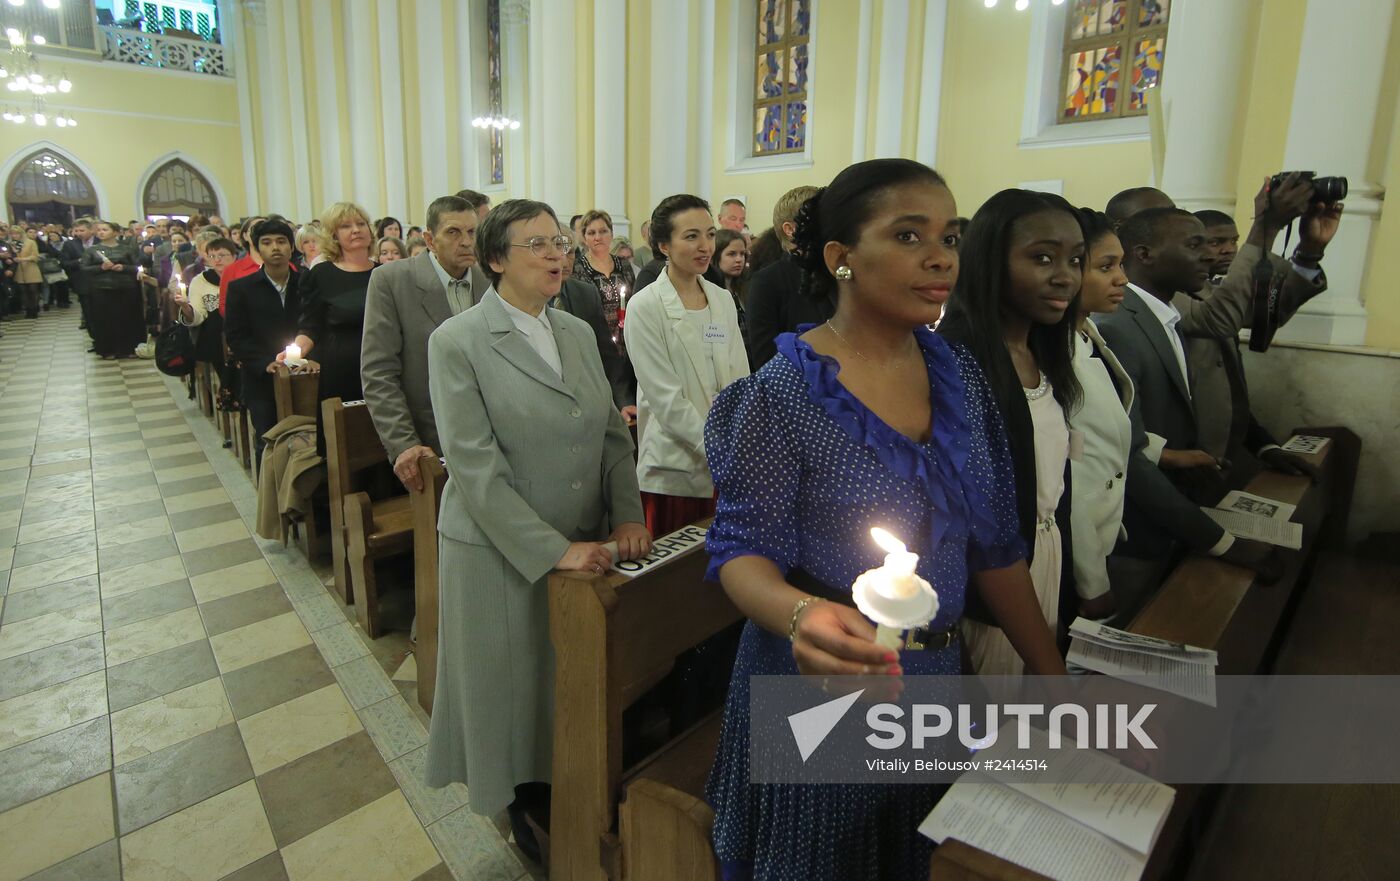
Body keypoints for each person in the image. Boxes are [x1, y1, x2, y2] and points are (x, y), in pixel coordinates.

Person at [704, 160, 1065, 880]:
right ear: (841, 258)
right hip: (827, 680)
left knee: (923, 856)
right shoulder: (780, 395)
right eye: (908, 235)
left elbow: (994, 545)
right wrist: (802, 613)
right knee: (828, 859)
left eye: (950, 237)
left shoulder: (960, 377)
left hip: (932, 676)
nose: (940, 257)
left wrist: (1053, 681)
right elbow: (743, 552)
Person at [423, 198, 652, 863]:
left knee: (563, 681)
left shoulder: (576, 330)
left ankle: (568, 788)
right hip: (499, 550)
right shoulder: (459, 341)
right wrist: (554, 549)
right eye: (536, 244)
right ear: (496, 259)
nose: (557, 254)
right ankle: (524, 806)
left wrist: (628, 512)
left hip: (583, 537)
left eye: (559, 241)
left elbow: (612, 435)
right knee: (511, 687)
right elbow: (474, 468)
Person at [1096, 207, 1282, 615]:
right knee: (1127, 631)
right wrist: (1223, 542)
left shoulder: (1165, 315)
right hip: (1136, 529)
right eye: (1194, 245)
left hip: (1174, 513)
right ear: (1144, 254)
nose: (1209, 256)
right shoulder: (1116, 325)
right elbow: (1126, 452)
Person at [937, 189, 1082, 674]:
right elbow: (975, 521)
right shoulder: (959, 362)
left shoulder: (1044, 353)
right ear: (990, 263)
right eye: (1042, 258)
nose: (1066, 276)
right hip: (991, 576)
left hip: (1044, 551)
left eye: (1075, 260)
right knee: (991, 731)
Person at [624, 195, 750, 536]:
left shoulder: (721, 299)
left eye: (710, 234)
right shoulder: (645, 306)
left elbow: (741, 377)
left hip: (728, 460)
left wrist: (740, 439)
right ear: (664, 244)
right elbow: (665, 398)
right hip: (675, 467)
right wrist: (716, 446)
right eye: (691, 236)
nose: (705, 246)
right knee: (677, 577)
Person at [360, 194, 491, 492]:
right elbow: (378, 372)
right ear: (430, 239)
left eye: (472, 232)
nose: (467, 242)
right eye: (453, 232)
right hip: (430, 438)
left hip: (489, 436)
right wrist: (405, 443)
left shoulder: (490, 280)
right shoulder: (392, 281)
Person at [1067, 210, 1132, 621]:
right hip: (1079, 544)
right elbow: (1066, 474)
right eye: (1106, 266)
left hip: (1106, 526)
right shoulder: (1049, 354)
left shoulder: (1087, 330)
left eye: (1121, 264)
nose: (1122, 277)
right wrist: (1092, 580)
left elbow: (1107, 424)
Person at [284, 202, 377, 454]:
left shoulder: (386, 273)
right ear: (333, 235)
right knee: (346, 446)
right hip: (342, 370)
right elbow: (310, 324)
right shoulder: (321, 274)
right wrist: (297, 350)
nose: (356, 230)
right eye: (346, 226)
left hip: (382, 367)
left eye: (361, 224)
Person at [224, 217, 302, 465]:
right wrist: (263, 362)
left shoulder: (307, 281)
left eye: (281, 241)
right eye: (267, 243)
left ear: (291, 246)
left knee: (305, 436)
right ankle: (270, 498)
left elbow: (315, 323)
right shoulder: (242, 288)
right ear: (257, 249)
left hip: (304, 372)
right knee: (268, 438)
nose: (275, 248)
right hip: (261, 377)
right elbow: (236, 335)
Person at [745, 184, 826, 367]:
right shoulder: (767, 282)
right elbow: (765, 357)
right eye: (817, 218)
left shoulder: (835, 273)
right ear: (790, 229)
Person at [553, 231, 632, 413]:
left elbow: (607, 355)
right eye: (558, 250)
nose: (564, 260)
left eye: (570, 252)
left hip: (585, 401)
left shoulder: (586, 294)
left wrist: (622, 401)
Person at [81, 220, 145, 359]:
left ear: (115, 232)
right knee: (106, 320)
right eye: (99, 230)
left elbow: (138, 267)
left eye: (105, 230)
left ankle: (129, 348)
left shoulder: (126, 249)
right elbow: (84, 269)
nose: (101, 232)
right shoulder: (92, 250)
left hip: (126, 287)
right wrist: (101, 268)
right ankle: (108, 350)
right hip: (102, 288)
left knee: (128, 319)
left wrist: (124, 268)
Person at [173, 236, 239, 367]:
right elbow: (198, 317)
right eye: (212, 256)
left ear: (234, 256)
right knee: (215, 318)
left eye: (222, 255)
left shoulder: (244, 276)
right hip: (215, 336)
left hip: (242, 329)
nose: (217, 260)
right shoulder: (200, 281)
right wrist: (185, 307)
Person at [573, 210, 636, 344]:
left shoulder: (623, 264)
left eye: (603, 231)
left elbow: (634, 300)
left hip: (627, 337)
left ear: (611, 234)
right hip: (594, 340)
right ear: (584, 238)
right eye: (591, 233)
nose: (598, 237)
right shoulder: (577, 268)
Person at [713, 227, 751, 347]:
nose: (739, 259)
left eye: (742, 254)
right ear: (716, 255)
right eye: (732, 254)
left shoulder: (749, 286)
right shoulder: (708, 290)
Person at [60, 218, 94, 330]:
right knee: (88, 312)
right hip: (82, 283)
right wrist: (78, 261)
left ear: (91, 230)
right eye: (76, 231)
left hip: (102, 282)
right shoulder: (70, 244)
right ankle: (94, 339)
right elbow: (64, 263)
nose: (79, 233)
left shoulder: (99, 241)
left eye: (82, 230)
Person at [13, 225, 42, 318]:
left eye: (17, 233)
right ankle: (28, 310)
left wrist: (22, 259)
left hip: (31, 268)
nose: (15, 236)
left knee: (33, 290)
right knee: (23, 291)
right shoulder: (11, 244)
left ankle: (35, 309)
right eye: (12, 234)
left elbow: (35, 256)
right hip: (19, 271)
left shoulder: (30, 242)